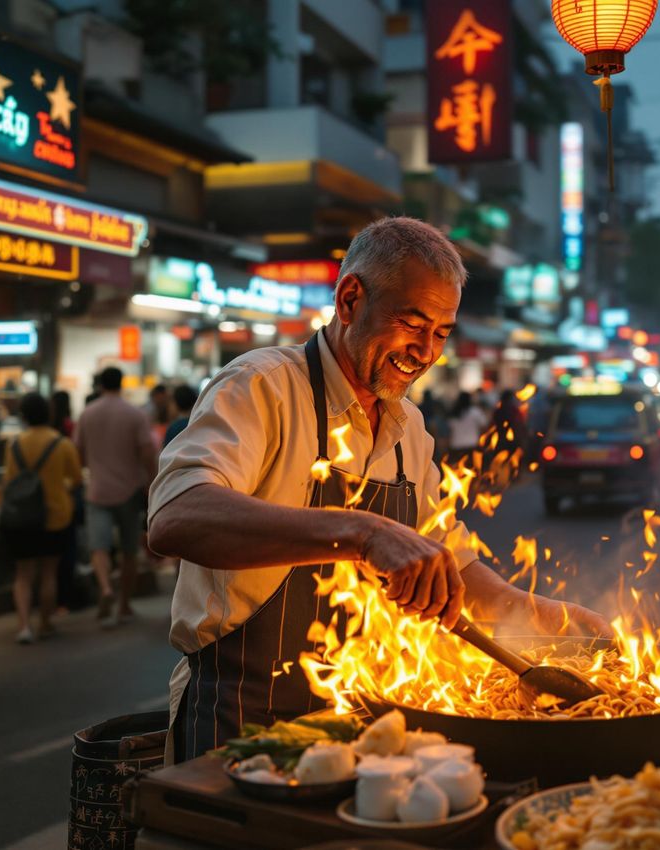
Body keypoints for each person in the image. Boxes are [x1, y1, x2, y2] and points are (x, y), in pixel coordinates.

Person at [147, 217, 609, 762]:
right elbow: (176, 515)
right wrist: (362, 532)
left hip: (367, 724)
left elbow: (449, 558)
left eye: (441, 332)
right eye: (412, 323)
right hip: (243, 719)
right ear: (349, 300)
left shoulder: (408, 427)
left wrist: (532, 611)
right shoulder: (263, 386)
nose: (425, 351)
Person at [75, 366, 157, 627]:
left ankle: (105, 588)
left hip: (97, 490)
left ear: (99, 385)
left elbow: (77, 453)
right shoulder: (135, 414)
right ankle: (123, 605)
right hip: (129, 490)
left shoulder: (87, 414)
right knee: (128, 550)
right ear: (122, 384)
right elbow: (147, 453)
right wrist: (152, 484)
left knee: (98, 547)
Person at [2, 393, 83, 643]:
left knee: (23, 574)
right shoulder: (62, 443)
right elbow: (76, 478)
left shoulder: (13, 444)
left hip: (22, 517)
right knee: (49, 572)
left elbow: (8, 481)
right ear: (49, 414)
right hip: (55, 515)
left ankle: (24, 626)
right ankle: (45, 623)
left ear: (23, 416)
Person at [446, 391, 488, 465]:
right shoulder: (475, 412)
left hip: (456, 446)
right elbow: (484, 426)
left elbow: (449, 430)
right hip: (471, 445)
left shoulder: (454, 413)